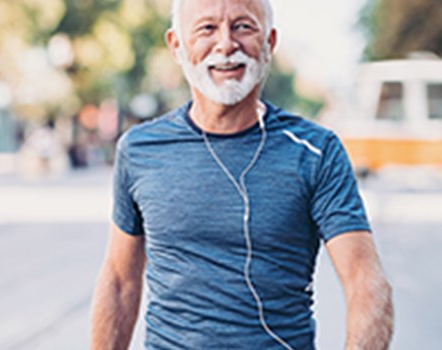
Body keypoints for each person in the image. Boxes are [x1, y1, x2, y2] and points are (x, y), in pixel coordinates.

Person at [90, 0, 394, 349]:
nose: (226, 44)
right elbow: (118, 280)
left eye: (243, 26)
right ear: (177, 45)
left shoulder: (316, 152)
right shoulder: (139, 150)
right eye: (207, 28)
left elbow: (365, 281)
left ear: (270, 43)